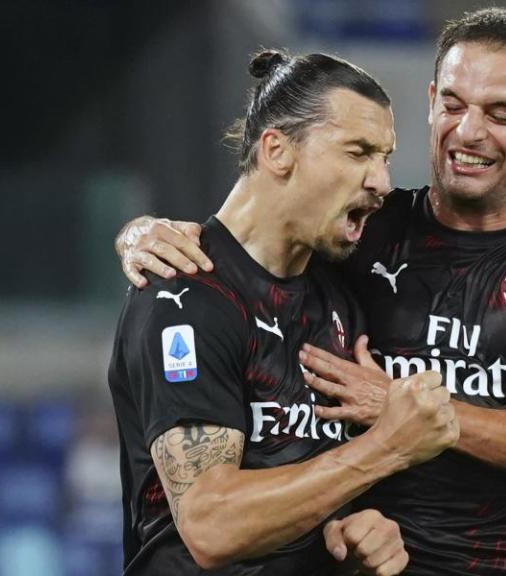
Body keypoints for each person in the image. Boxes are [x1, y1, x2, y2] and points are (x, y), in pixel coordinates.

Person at [115, 8, 506, 575]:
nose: (470, 131)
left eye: (500, 112)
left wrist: (404, 413)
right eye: (454, 105)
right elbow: (256, 240)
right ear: (432, 101)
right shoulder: (359, 234)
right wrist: (139, 234)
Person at [108, 49, 460, 576]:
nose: (382, 181)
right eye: (358, 152)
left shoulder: (338, 297)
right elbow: (210, 526)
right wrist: (387, 448)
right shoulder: (184, 299)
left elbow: (317, 482)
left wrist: (362, 535)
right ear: (277, 150)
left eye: (384, 157)